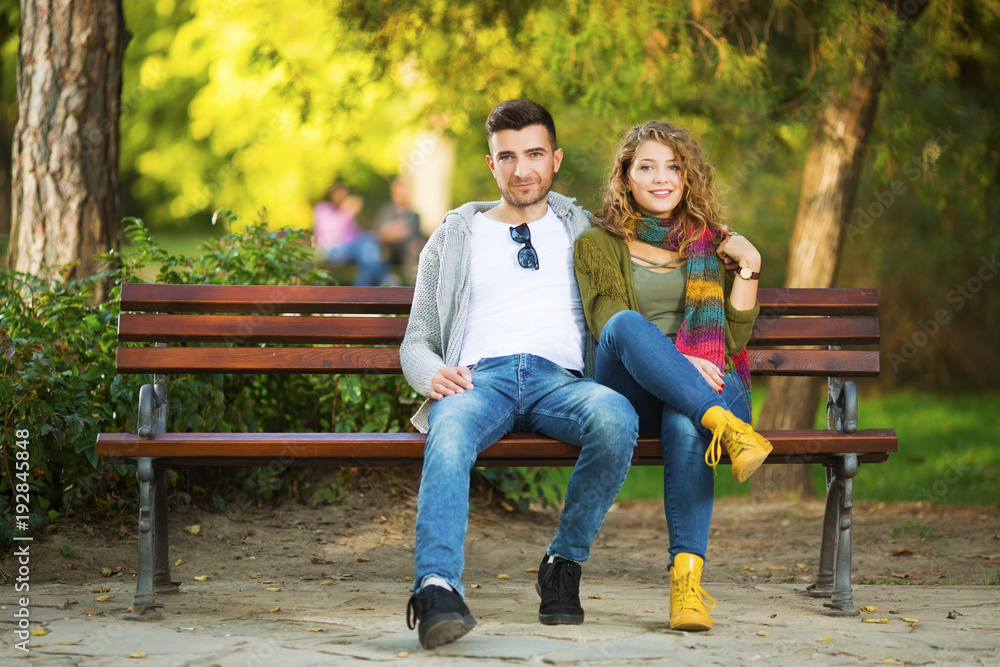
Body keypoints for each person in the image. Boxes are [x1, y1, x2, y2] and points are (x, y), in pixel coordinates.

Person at [399, 99, 638, 650]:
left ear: (555, 159)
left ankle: (562, 563)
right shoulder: (457, 234)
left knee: (616, 417)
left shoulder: (586, 230)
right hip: (480, 379)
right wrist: (431, 374)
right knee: (449, 428)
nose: (521, 169)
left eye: (534, 154)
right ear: (491, 164)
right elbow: (417, 340)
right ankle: (436, 588)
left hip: (563, 381)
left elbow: (667, 234)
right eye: (507, 156)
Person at [573, 120, 772, 633]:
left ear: (687, 178)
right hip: (632, 387)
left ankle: (687, 587)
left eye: (673, 167)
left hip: (711, 380)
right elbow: (607, 325)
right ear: (626, 177)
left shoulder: (712, 244)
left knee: (688, 422)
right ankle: (727, 426)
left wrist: (748, 266)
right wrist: (682, 362)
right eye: (647, 167)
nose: (661, 178)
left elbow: (729, 345)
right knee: (626, 322)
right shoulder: (597, 243)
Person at [312, 182, 391, 286]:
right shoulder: (323, 209)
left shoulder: (347, 213)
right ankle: (386, 278)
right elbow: (330, 232)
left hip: (351, 249)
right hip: (331, 250)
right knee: (367, 247)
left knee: (368, 250)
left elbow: (356, 234)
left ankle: (361, 290)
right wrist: (346, 212)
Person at [374, 177, 425, 283]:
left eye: (405, 194)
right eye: (400, 194)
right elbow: (380, 235)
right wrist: (397, 231)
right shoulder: (387, 211)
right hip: (389, 252)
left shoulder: (415, 215)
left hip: (409, 252)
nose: (403, 197)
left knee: (413, 250)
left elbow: (418, 236)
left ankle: (415, 286)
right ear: (394, 194)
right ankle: (411, 285)